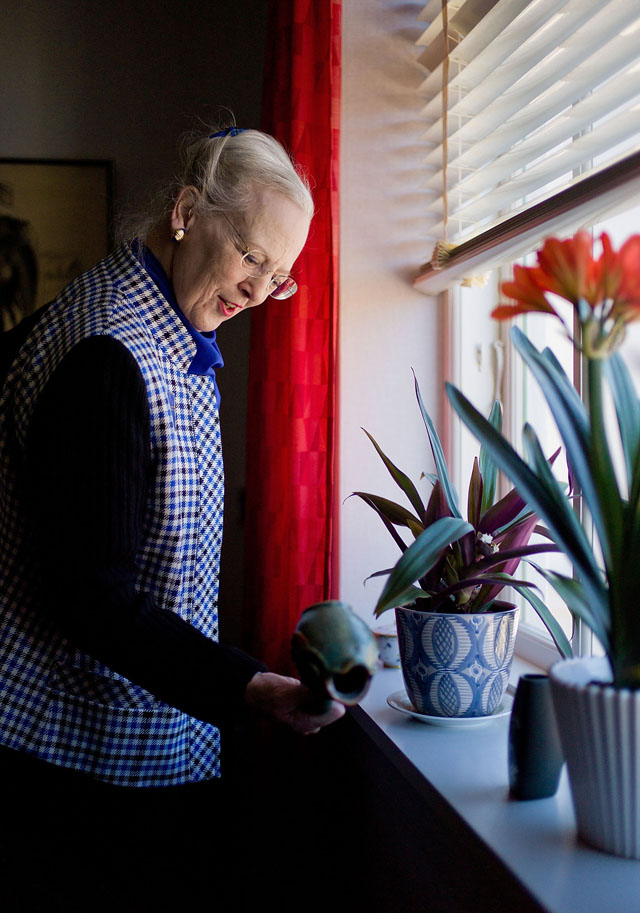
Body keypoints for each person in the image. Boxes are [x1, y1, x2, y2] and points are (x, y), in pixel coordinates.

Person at [0, 125, 344, 909]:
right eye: (252, 257)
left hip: (124, 747)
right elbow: (94, 600)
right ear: (188, 211)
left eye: (280, 276)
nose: (260, 292)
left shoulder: (163, 322)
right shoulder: (108, 355)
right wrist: (252, 687)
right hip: (77, 762)